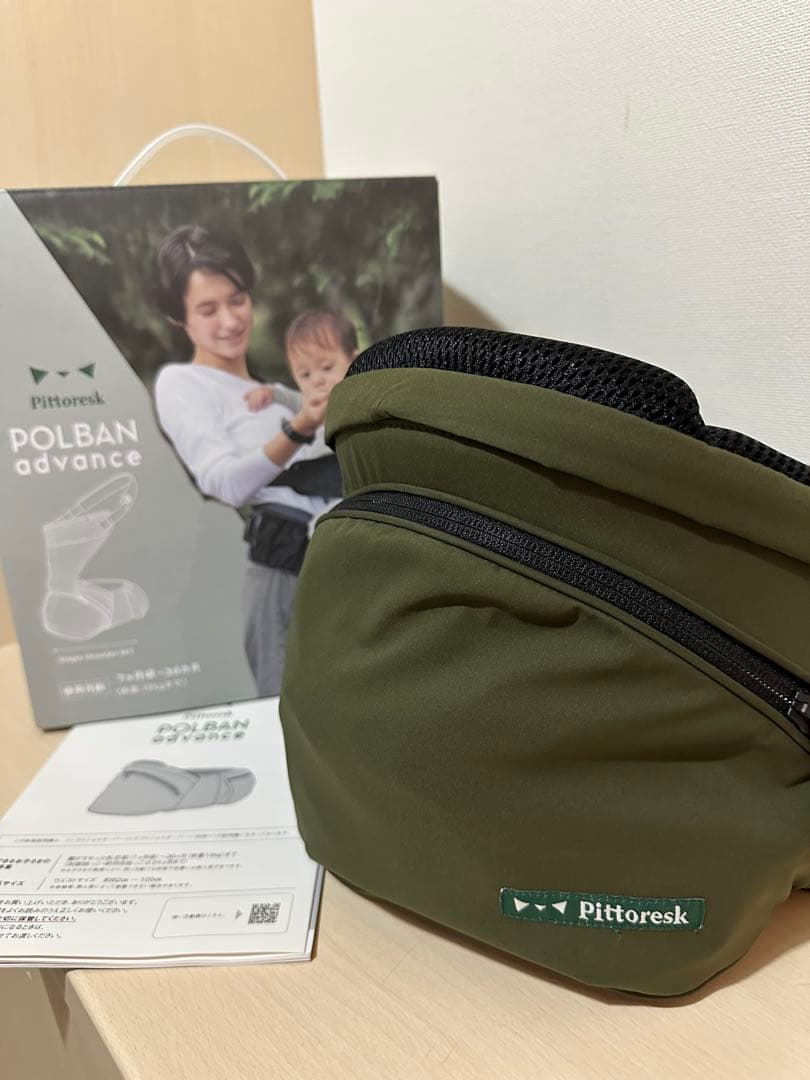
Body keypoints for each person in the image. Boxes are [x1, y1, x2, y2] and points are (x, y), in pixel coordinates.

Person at [152, 225, 333, 697]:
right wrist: (300, 429)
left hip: (335, 563)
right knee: (284, 704)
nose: (230, 320)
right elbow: (225, 483)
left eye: (237, 300)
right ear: (178, 318)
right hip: (283, 565)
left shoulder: (274, 393)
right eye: (208, 309)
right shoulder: (182, 384)